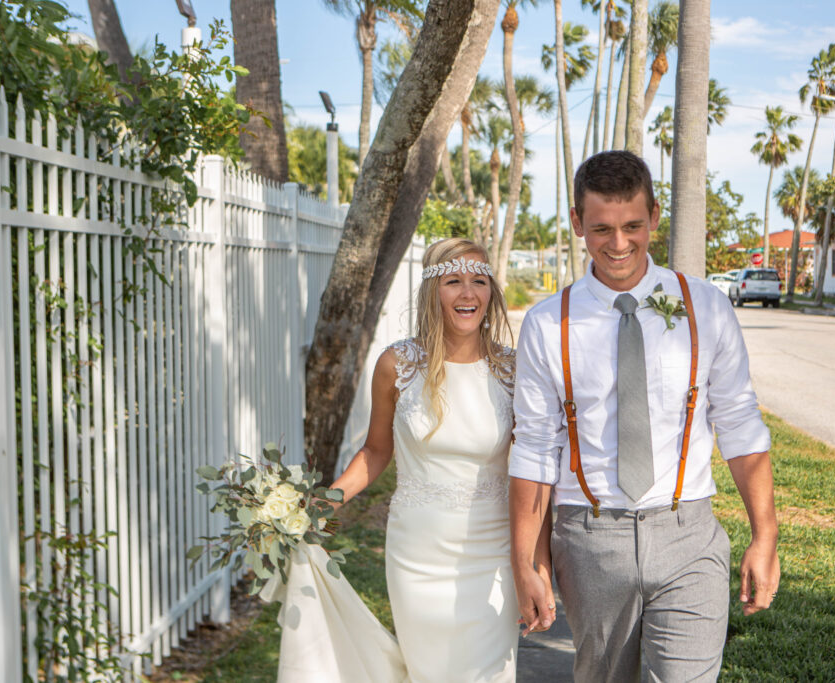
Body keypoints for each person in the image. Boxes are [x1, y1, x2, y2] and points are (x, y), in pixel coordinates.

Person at [508, 150, 780, 682]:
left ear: (655, 216)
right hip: (589, 540)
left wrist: (764, 535)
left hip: (688, 534)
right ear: (577, 223)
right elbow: (535, 449)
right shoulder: (547, 324)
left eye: (633, 225)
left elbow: (741, 423)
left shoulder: (705, 307)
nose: (619, 243)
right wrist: (528, 561)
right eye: (602, 228)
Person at [327, 238, 529, 682]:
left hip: (491, 553)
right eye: (453, 281)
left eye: (479, 281)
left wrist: (534, 561)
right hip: (416, 555)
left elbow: (529, 470)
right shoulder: (395, 365)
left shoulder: (513, 370)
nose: (468, 294)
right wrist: (326, 502)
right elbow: (376, 451)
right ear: (430, 290)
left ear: (492, 292)